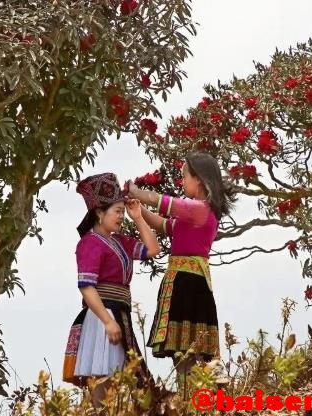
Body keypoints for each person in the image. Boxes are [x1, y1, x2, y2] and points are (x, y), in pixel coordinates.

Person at [125, 152, 235, 393]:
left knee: (186, 351)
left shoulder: (199, 209)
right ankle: (195, 398)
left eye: (185, 176)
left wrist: (135, 191)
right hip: (185, 282)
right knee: (182, 351)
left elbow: (161, 202)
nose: (181, 181)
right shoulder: (195, 214)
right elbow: (164, 225)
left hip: (188, 285)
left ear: (200, 180)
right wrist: (138, 211)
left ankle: (198, 398)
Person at [62, 172, 160, 407]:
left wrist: (138, 218)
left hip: (120, 316)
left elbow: (153, 249)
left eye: (122, 212)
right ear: (99, 212)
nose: (121, 217)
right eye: (117, 211)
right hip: (101, 318)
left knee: (124, 380)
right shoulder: (89, 243)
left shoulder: (121, 241)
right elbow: (86, 287)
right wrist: (107, 320)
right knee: (101, 378)